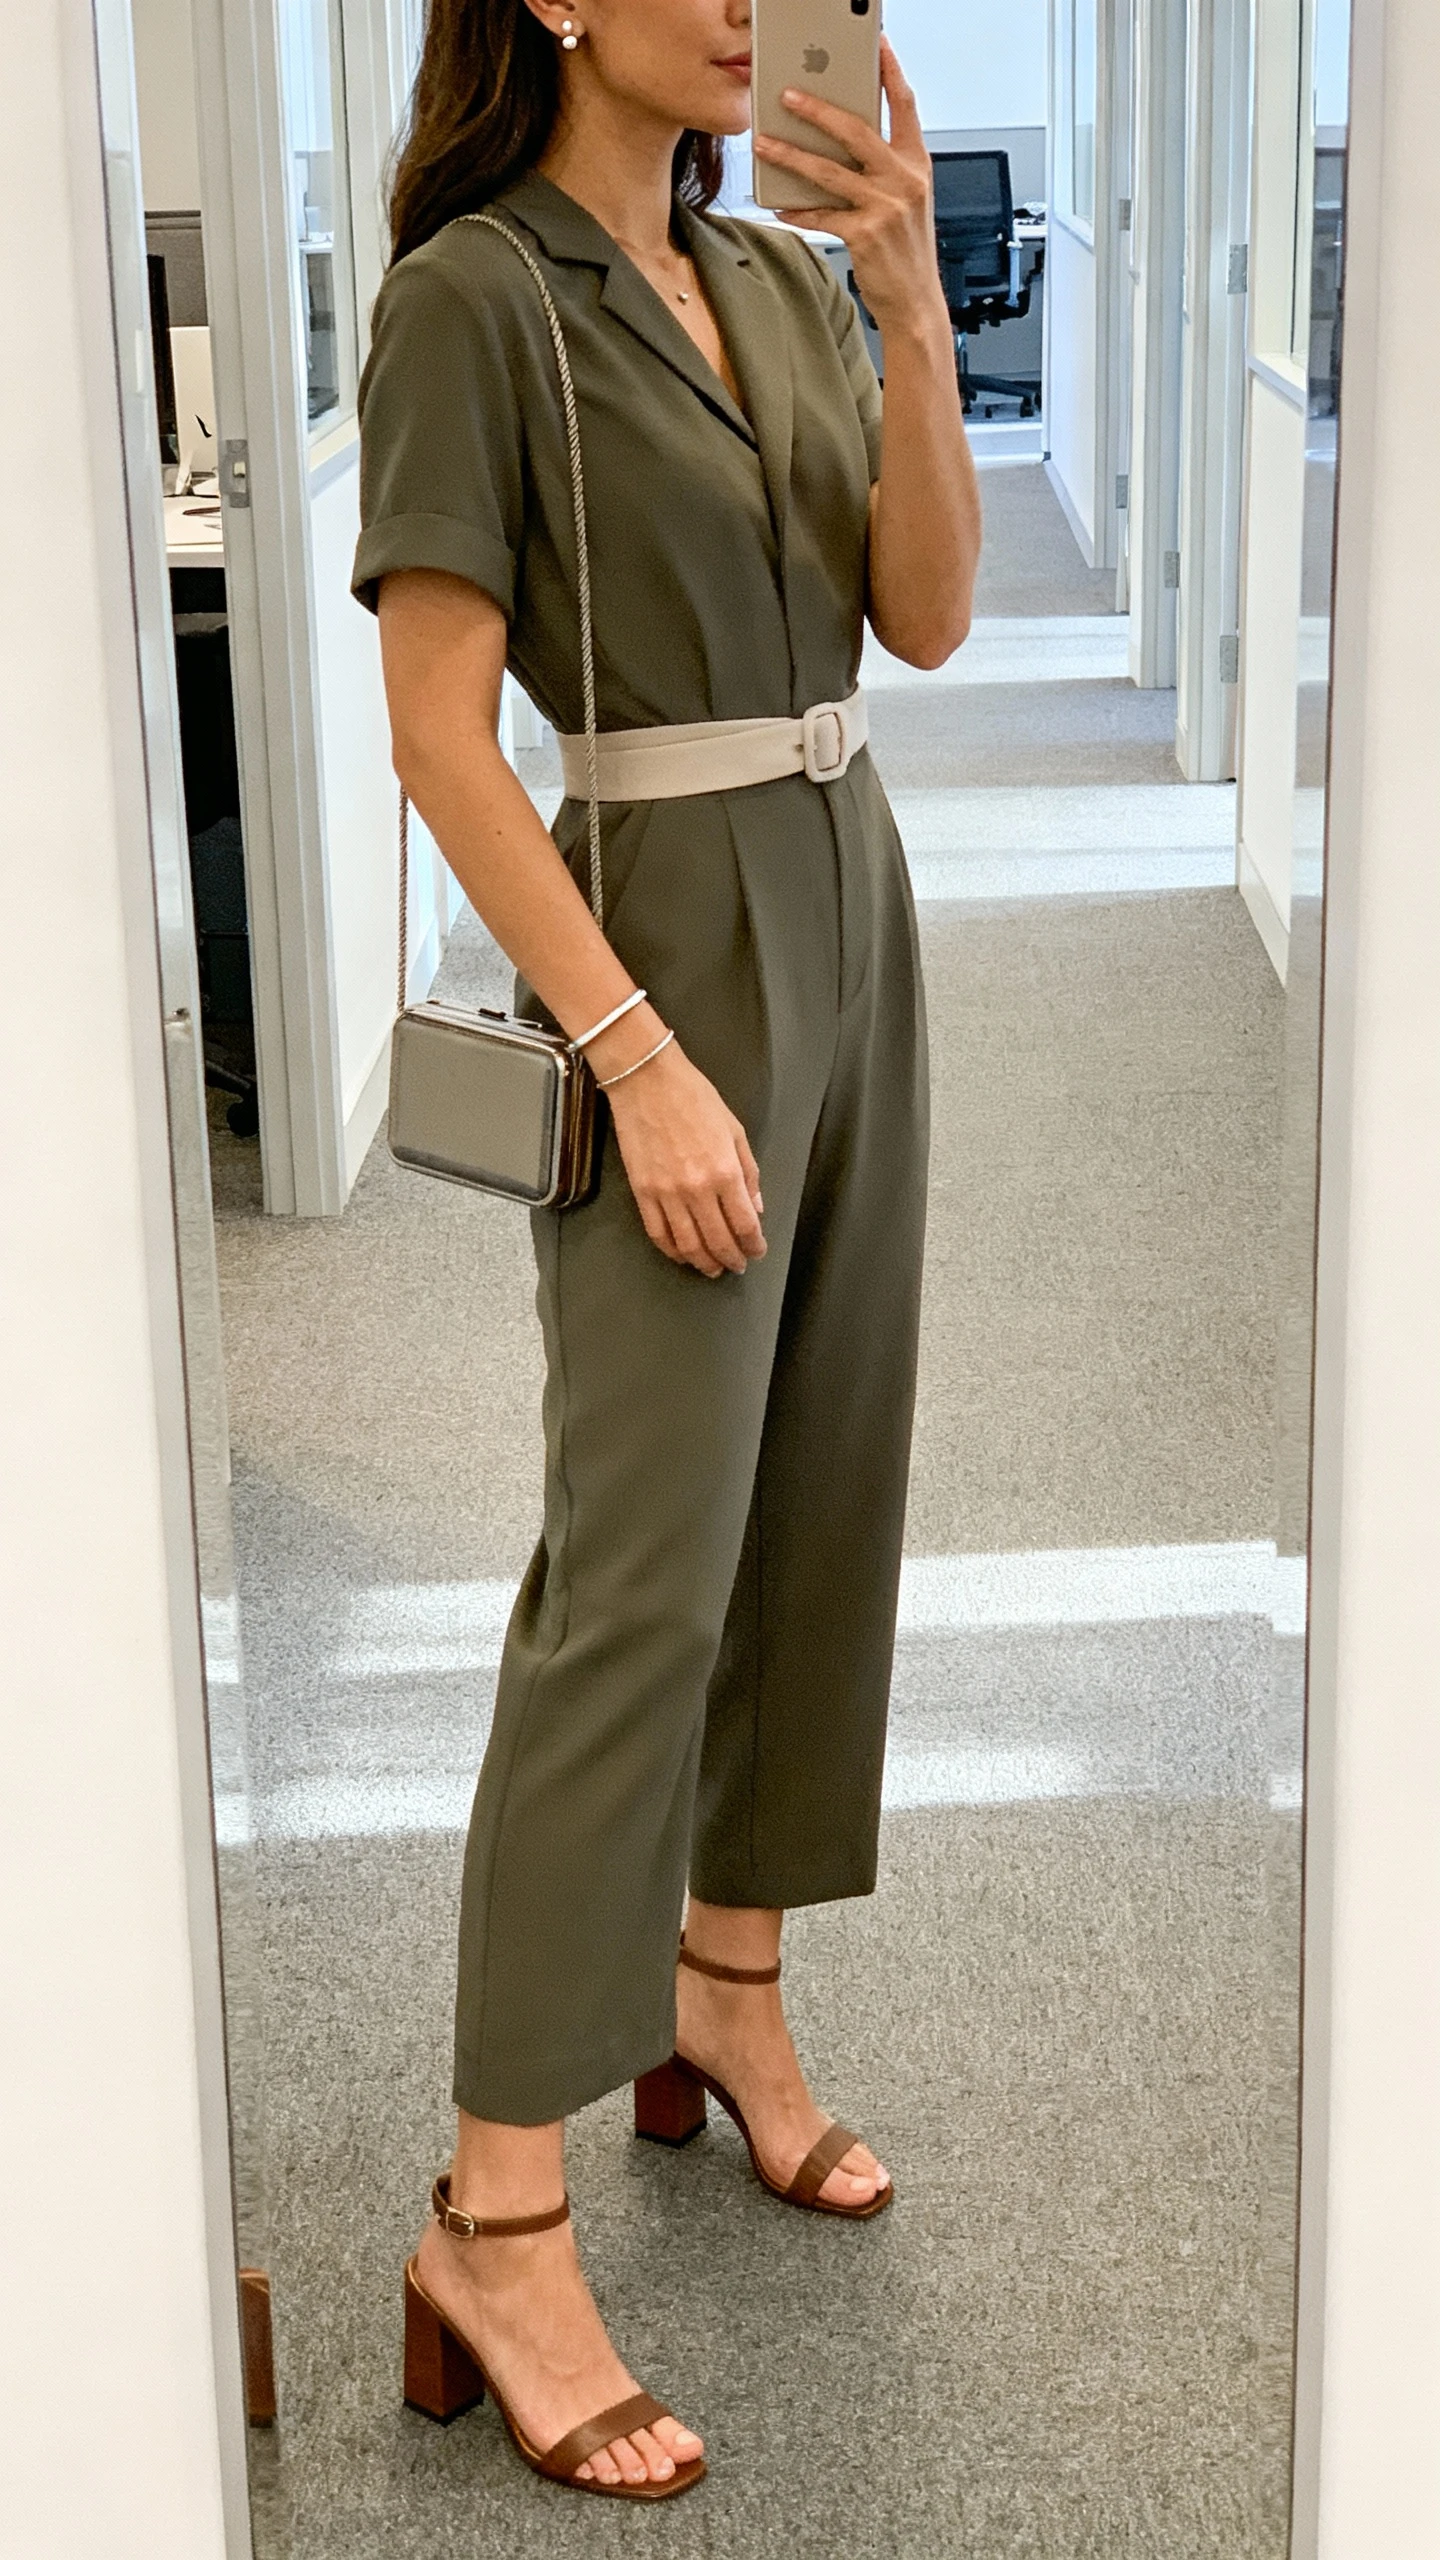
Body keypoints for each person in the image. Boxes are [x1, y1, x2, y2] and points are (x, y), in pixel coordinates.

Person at [353, 0, 979, 2501]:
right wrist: (633, 1049)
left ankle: (730, 1993)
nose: (750, 3)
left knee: (827, 1491)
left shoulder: (798, 289)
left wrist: (913, 297)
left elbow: (920, 613)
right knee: (637, 1571)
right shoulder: (473, 301)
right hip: (665, 938)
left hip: (855, 898)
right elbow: (436, 729)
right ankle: (494, 2215)